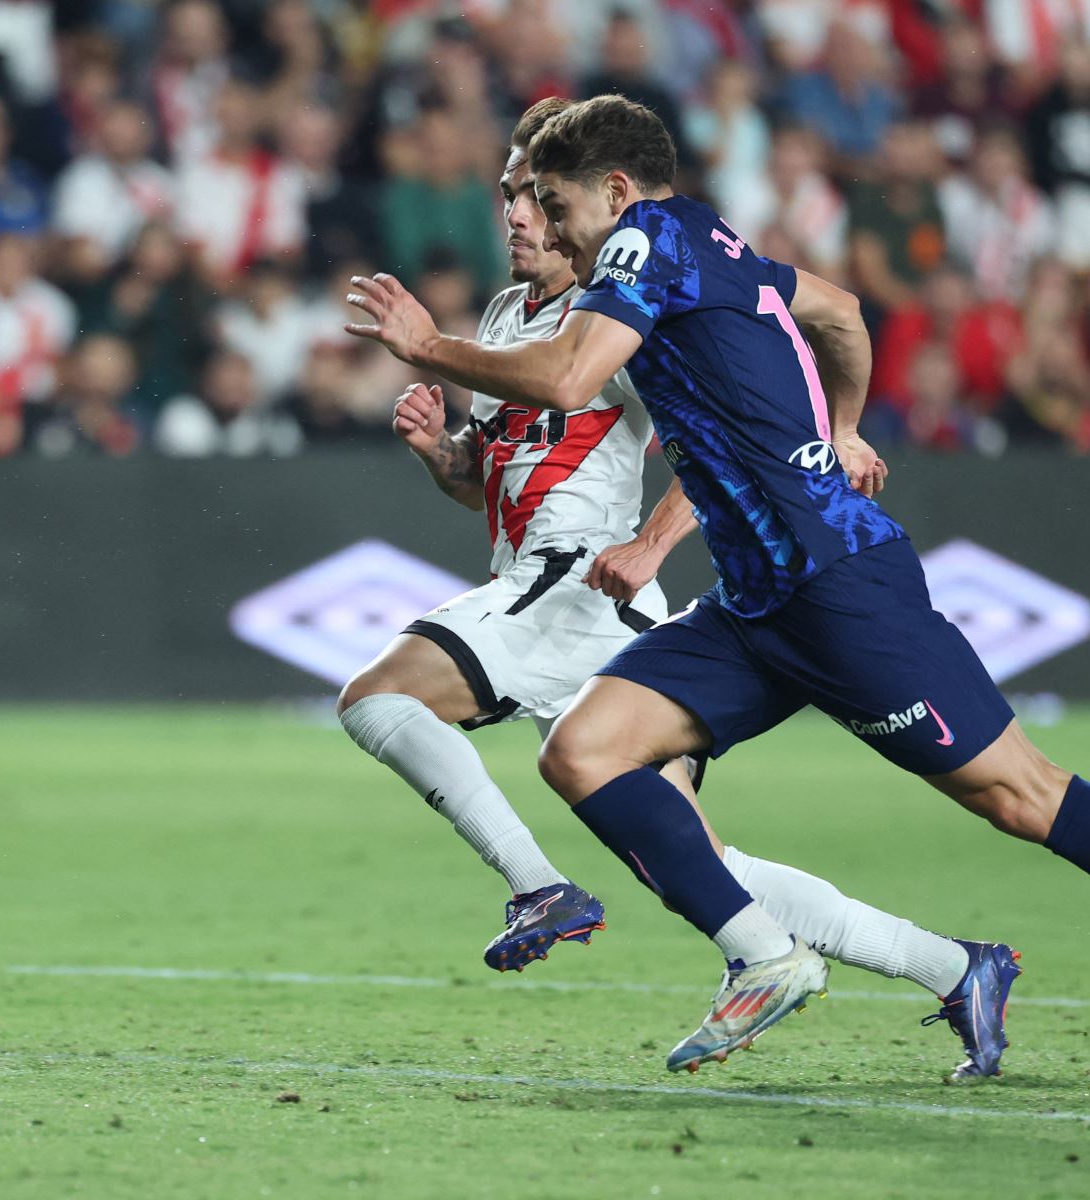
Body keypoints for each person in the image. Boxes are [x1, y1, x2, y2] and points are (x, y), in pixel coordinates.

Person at [341, 95, 1090, 1110]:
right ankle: (762, 956)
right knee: (584, 750)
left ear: (617, 191)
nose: (545, 230)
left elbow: (567, 374)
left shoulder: (643, 243)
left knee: (1021, 796)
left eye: (555, 207)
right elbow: (843, 313)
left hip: (842, 588)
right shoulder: (711, 240)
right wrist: (847, 427)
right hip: (757, 600)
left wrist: (424, 345)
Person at [338, 98, 1023, 1080]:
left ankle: (542, 889)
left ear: (581, 202)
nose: (520, 216)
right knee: (704, 866)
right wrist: (437, 453)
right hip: (555, 590)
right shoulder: (506, 322)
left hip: (583, 588)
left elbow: (716, 447)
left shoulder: (626, 313)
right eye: (507, 196)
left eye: (537, 196)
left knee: (379, 696)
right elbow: (490, 480)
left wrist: (657, 541)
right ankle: (958, 968)